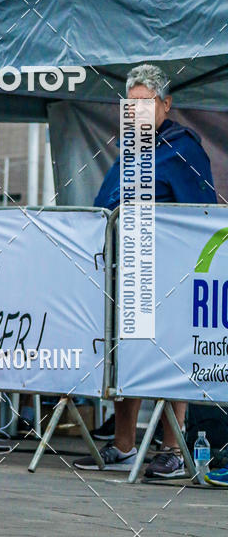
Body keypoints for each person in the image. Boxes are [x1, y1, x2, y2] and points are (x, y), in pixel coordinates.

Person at [74, 64, 216, 479]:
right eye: (129, 105)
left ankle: (172, 448)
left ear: (165, 105)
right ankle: (122, 445)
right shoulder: (129, 151)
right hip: (124, 269)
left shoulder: (184, 147)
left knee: (169, 355)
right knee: (126, 355)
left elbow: (201, 213)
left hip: (170, 271)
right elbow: (105, 203)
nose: (136, 111)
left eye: (145, 103)